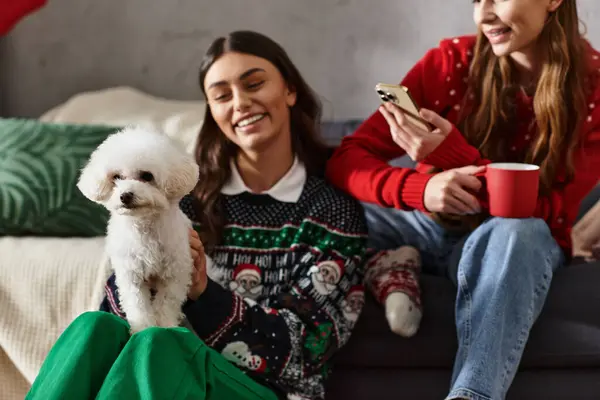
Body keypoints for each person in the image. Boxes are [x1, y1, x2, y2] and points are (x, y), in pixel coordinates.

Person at [26, 30, 369, 400]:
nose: (240, 102)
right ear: (212, 110)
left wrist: (203, 292)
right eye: (222, 95)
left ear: (289, 90)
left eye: (254, 84)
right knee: (93, 327)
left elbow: (306, 349)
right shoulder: (181, 199)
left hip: (267, 392)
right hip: (170, 371)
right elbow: (123, 312)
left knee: (157, 345)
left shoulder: (333, 212)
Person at [326, 1, 600, 400]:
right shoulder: (451, 62)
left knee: (516, 233)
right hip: (425, 224)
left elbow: (553, 214)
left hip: (506, 244)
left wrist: (456, 158)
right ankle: (392, 263)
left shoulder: (594, 86)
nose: (483, 14)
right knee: (323, 208)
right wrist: (418, 190)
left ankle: (472, 395)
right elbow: (348, 158)